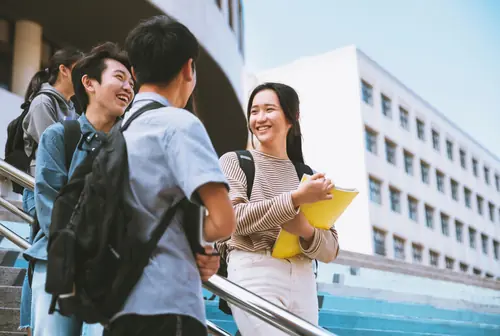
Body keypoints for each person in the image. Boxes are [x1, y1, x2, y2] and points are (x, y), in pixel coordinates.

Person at [104, 16, 236, 336]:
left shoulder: (114, 133)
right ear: (189, 68)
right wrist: (194, 242)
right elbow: (223, 221)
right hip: (167, 303)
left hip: (116, 306)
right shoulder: (179, 124)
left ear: (134, 73)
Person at [26, 42, 134, 336]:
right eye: (120, 77)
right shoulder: (60, 136)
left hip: (109, 268)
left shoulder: (133, 144)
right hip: (57, 262)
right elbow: (49, 205)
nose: (128, 87)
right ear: (89, 83)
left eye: (131, 82)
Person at [219, 82, 340, 335]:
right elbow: (231, 219)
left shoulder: (308, 176)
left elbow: (330, 251)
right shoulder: (235, 162)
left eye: (269, 109)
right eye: (254, 111)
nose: (260, 118)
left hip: (304, 277)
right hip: (254, 269)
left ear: (292, 117)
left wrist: (305, 230)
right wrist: (294, 200)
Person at [18, 47, 83, 335]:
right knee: (41, 252)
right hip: (39, 189)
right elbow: (51, 149)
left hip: (63, 189)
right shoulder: (44, 102)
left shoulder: (71, 106)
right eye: (79, 69)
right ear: (65, 70)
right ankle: (29, 322)